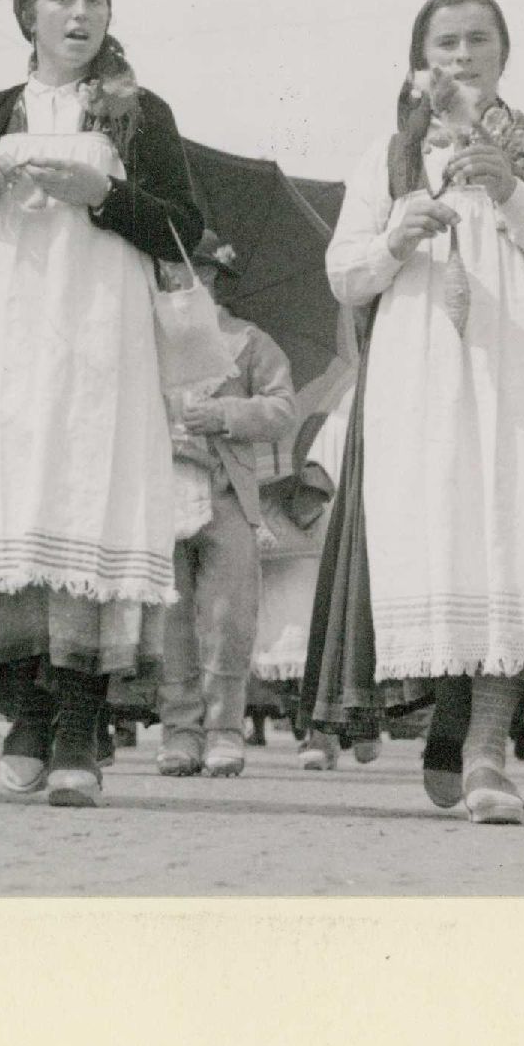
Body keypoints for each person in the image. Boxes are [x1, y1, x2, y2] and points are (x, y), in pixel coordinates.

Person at [315, 0, 524, 824]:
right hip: (426, 368)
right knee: (446, 537)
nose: (461, 55)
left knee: (517, 538)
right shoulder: (391, 156)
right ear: (420, 60)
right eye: (445, 42)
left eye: (478, 39)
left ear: (503, 52)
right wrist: (395, 235)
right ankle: (449, 719)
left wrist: (514, 189)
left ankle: (488, 748)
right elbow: (343, 274)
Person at [0, 0, 202, 806]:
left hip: (97, 336)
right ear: (29, 15)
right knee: (10, 511)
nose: (80, 13)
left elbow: (183, 229)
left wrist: (100, 190)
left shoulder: (140, 113)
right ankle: (26, 714)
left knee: (82, 505)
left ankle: (79, 722)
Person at [155, 231, 296, 778]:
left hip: (228, 493)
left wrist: (225, 415)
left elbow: (282, 408)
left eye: (183, 267)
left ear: (210, 275)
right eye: (167, 268)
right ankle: (180, 732)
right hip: (162, 488)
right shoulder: (148, 336)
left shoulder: (247, 341)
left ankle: (224, 731)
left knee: (228, 616)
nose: (173, 277)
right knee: (169, 618)